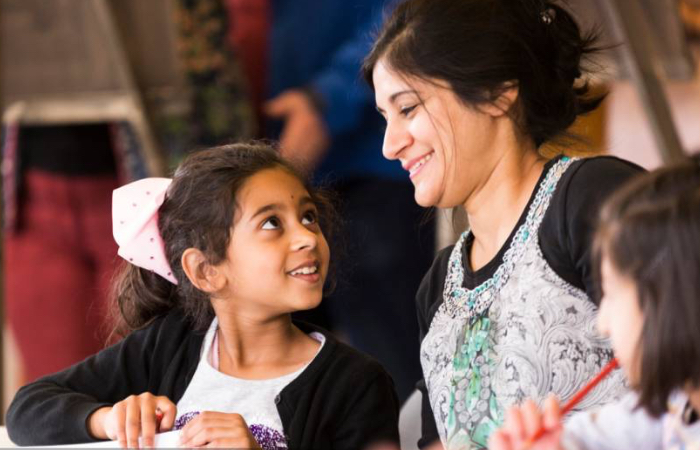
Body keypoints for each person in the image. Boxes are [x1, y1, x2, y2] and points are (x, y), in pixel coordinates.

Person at [362, 0, 642, 448]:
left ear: (496, 92)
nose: (390, 146)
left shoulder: (590, 198)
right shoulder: (437, 285)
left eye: (409, 108)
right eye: (384, 118)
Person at [6, 143, 400, 450]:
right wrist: (109, 421)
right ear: (206, 271)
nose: (306, 237)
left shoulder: (357, 383)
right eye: (271, 223)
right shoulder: (170, 342)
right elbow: (27, 409)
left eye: (308, 216)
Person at [221, 0, 435, 402]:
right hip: (254, 175)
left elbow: (407, 14)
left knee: (399, 386)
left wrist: (328, 100)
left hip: (363, 164)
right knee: (280, 394)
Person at [488, 155, 700, 450]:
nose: (602, 323)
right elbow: (594, 434)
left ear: (672, 297)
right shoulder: (670, 407)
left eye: (611, 292)